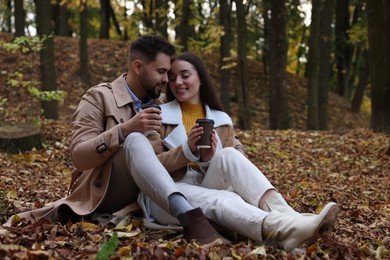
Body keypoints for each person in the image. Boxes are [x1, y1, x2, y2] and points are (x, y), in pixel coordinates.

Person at [4, 36, 229, 245]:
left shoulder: (162, 103)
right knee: (135, 141)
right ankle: (190, 218)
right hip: (108, 191)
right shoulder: (99, 97)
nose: (165, 79)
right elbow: (79, 156)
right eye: (161, 71)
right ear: (138, 67)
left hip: (153, 194)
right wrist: (125, 129)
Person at [140, 52, 339, 252]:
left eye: (185, 75)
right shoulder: (157, 116)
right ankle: (287, 229)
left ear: (200, 78)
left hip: (204, 185)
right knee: (225, 199)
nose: (178, 82)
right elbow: (150, 167)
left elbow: (235, 161)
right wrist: (186, 150)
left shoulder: (221, 119)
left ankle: (291, 220)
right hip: (169, 194)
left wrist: (209, 160)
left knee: (229, 155)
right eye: (172, 78)